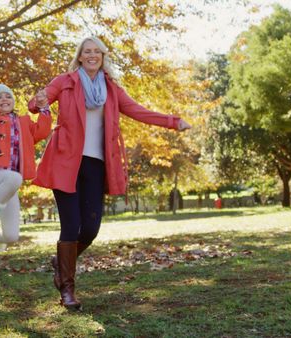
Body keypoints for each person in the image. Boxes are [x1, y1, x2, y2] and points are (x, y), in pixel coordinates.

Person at [28, 36, 192, 310]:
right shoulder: (65, 81)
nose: (92, 55)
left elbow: (139, 112)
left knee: (90, 229)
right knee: (70, 225)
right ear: (79, 57)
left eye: (97, 52)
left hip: (96, 164)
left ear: (102, 57)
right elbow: (37, 104)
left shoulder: (112, 90)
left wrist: (173, 122)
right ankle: (67, 289)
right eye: (87, 52)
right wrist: (39, 100)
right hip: (65, 162)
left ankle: (61, 261)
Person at [0, 83, 52, 255]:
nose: (4, 99)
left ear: (13, 100)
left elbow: (42, 132)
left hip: (9, 185)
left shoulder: (24, 122)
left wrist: (44, 109)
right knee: (14, 177)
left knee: (11, 236)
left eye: (7, 96)